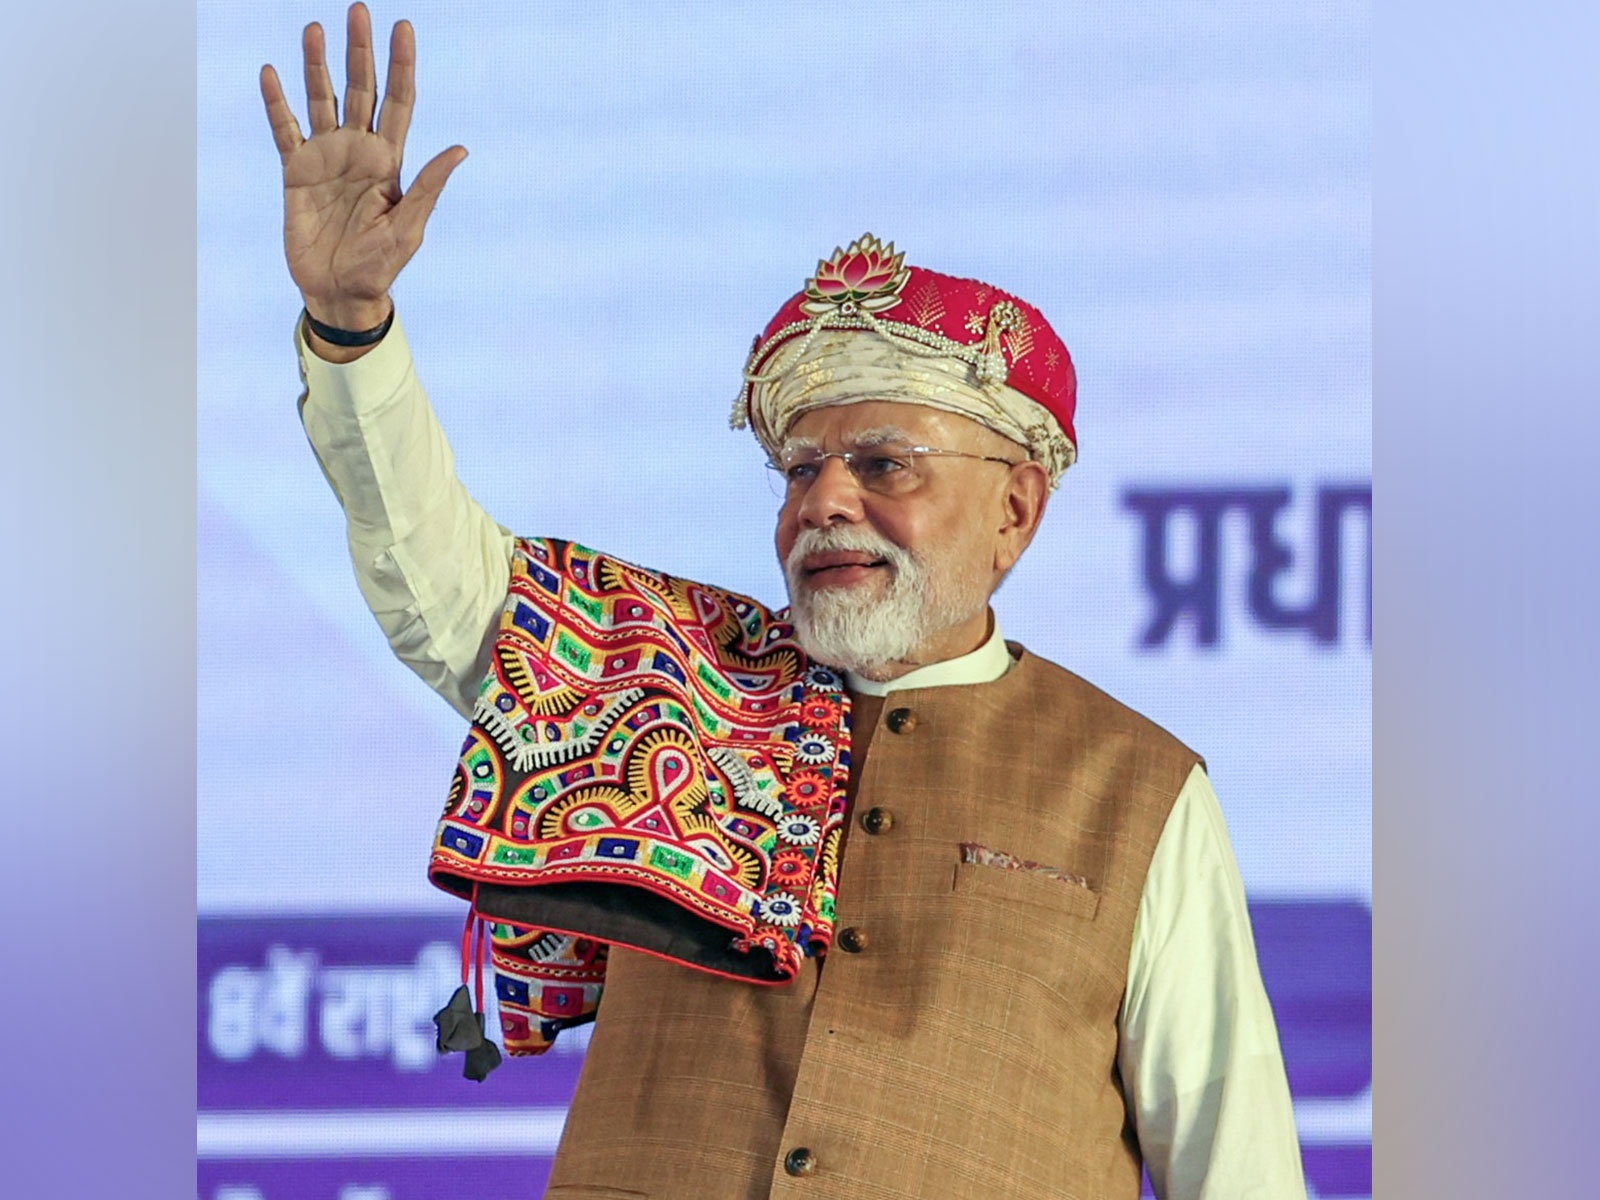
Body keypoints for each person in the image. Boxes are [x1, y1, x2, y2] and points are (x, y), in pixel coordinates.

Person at [262, 6, 1307, 1197]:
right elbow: (435, 577)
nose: (826, 504)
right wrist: (353, 331)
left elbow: (1236, 1163)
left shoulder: (1134, 788)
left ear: (1016, 507)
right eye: (799, 471)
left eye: (882, 464)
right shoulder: (659, 679)